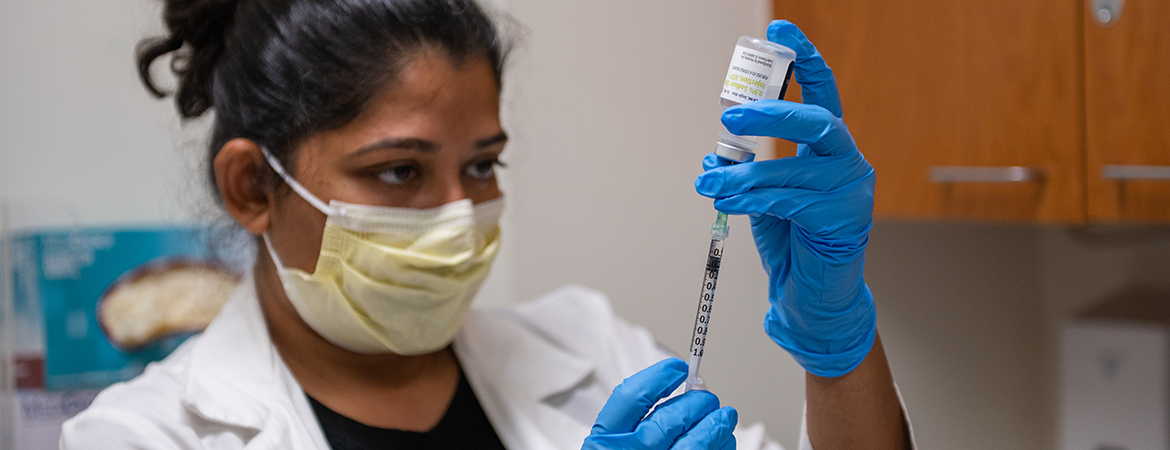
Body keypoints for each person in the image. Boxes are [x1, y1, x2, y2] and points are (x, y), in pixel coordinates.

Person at [60, 0, 915, 449]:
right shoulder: (142, 438)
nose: (459, 217)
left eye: (480, 165)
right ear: (252, 184)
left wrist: (834, 345)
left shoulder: (592, 353)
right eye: (399, 171)